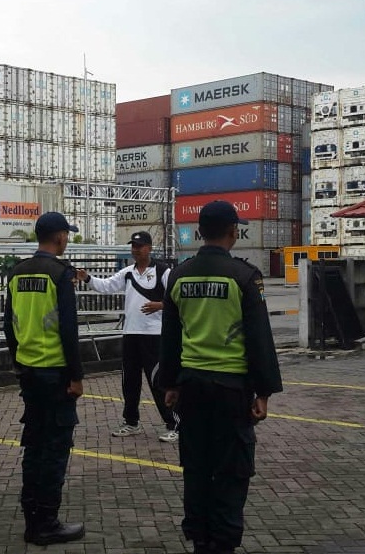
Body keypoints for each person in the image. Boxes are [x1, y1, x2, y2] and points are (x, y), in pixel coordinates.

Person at [158, 201, 283, 554]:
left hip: (191, 386)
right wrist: (263, 392)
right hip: (231, 389)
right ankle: (223, 542)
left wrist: (170, 383)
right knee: (231, 469)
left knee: (196, 466)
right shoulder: (244, 276)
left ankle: (200, 537)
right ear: (233, 231)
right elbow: (259, 338)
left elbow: (170, 337)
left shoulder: (179, 276)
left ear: (199, 232)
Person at [3, 211, 85, 546]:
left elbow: (8, 324)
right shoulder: (60, 274)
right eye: (67, 235)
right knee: (55, 448)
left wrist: (18, 363)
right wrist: (76, 376)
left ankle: (31, 517)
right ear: (60, 237)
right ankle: (46, 522)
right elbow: (68, 329)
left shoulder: (17, 272)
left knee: (34, 446)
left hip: (29, 372)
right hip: (56, 373)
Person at [75, 231, 178, 441]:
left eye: (139, 246)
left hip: (154, 335)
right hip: (131, 333)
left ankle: (173, 423)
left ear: (149, 248)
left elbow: (178, 298)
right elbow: (106, 286)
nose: (135, 250)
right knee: (130, 381)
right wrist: (87, 278)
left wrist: (161, 305)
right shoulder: (128, 272)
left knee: (158, 380)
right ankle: (131, 422)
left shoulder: (163, 271)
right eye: (133, 246)